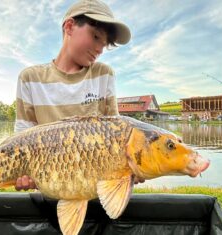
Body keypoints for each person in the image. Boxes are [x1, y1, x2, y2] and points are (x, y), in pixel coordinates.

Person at [14, 0, 133, 190]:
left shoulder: (104, 74)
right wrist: (23, 174)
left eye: (104, 45)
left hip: (96, 190)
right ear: (69, 27)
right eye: (95, 37)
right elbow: (21, 141)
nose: (99, 50)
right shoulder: (30, 78)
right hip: (48, 189)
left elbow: (116, 137)